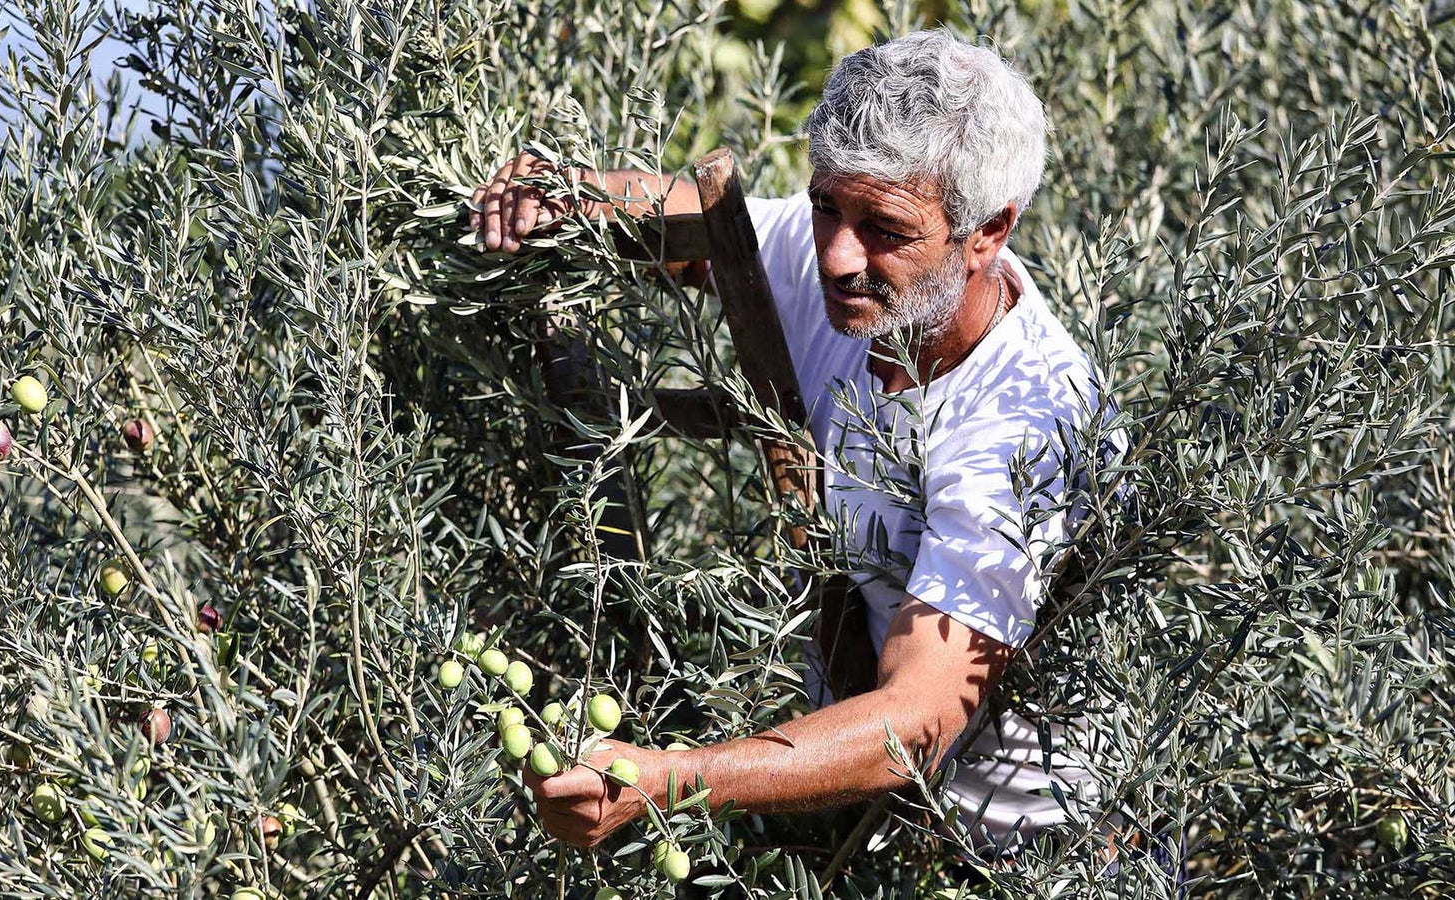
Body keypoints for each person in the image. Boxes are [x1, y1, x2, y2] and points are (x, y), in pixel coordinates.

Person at [468, 28, 1104, 856]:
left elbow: (914, 723)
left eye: (885, 228)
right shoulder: (855, 272)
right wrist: (564, 192)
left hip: (1019, 858)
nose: (838, 256)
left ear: (987, 232)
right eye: (825, 205)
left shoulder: (1026, 422)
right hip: (853, 831)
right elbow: (702, 224)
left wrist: (667, 783)